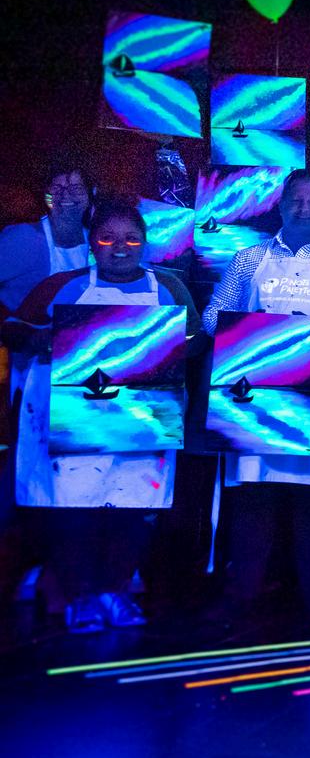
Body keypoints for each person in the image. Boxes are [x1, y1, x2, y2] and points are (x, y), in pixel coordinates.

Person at [6, 198, 206, 633]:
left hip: (141, 421)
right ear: (92, 244)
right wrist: (45, 340)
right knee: (75, 508)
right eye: (108, 238)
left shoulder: (169, 288)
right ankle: (80, 597)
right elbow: (14, 327)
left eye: (131, 239)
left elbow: (196, 341)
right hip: (77, 422)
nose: (120, 247)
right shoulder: (64, 286)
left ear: (145, 244)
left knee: (134, 507)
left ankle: (114, 592)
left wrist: (163, 347)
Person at [201, 169, 310, 624]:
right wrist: (254, 330)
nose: (303, 209)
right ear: (280, 206)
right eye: (295, 201)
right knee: (253, 497)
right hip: (252, 398)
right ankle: (241, 598)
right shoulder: (248, 259)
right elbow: (211, 317)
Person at [0, 158, 92, 317]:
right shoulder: (26, 238)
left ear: (91, 193)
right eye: (56, 188)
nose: (66, 195)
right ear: (45, 194)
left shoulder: (96, 240)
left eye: (76, 188)